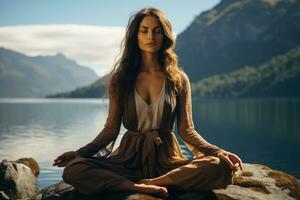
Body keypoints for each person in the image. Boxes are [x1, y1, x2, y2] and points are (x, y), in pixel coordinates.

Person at [53, 7, 243, 198]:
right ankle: (137, 187)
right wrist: (79, 153)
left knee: (219, 165)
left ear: (165, 36)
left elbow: (187, 130)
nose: (151, 36)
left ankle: (154, 183)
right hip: (128, 159)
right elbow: (111, 129)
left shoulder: (178, 79)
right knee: (73, 170)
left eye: (157, 30)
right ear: (135, 36)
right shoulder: (121, 79)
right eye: (144, 30)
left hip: (167, 159)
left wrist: (218, 151)